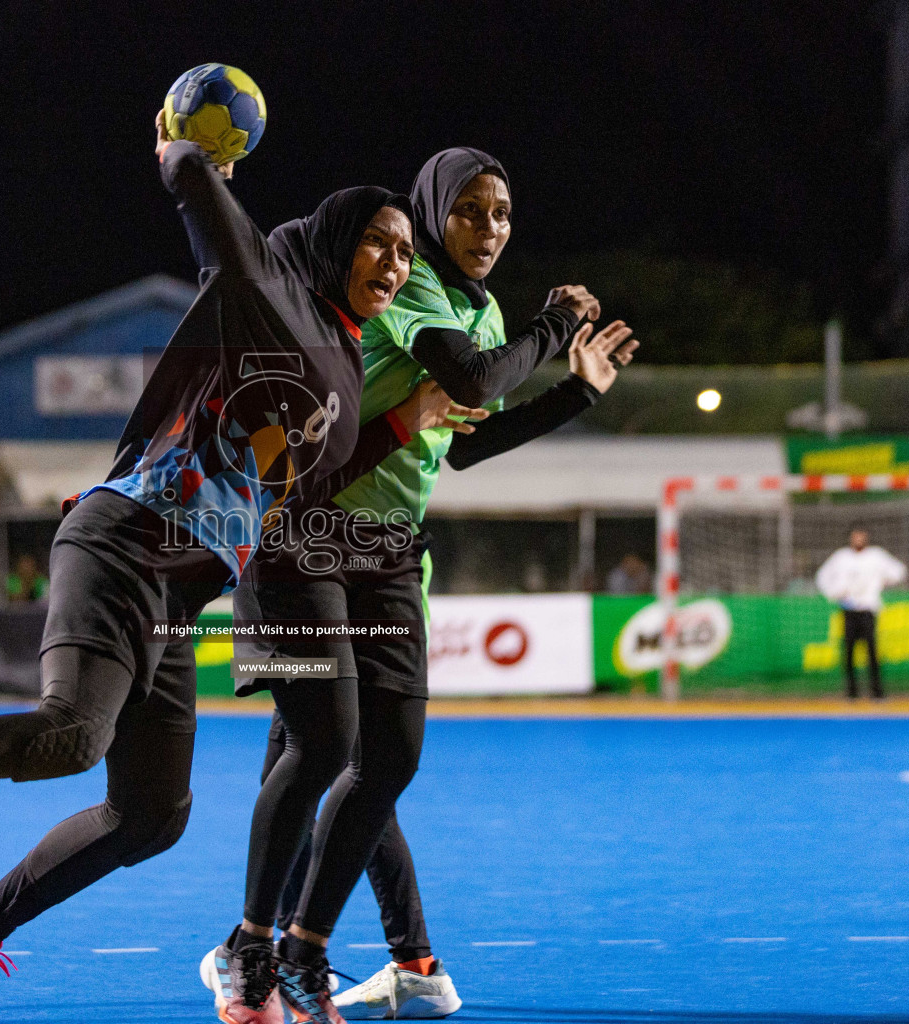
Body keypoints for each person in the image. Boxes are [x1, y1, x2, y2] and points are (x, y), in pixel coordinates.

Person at [0, 119, 479, 1024]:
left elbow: (320, 470)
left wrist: (416, 419)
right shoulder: (264, 288)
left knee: (152, 814)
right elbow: (188, 182)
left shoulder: (344, 369)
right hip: (125, 536)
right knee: (71, 735)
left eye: (407, 250)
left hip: (179, 590)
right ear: (335, 237)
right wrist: (191, 146)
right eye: (378, 238)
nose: (397, 261)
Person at [204, 147, 637, 1023]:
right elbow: (474, 381)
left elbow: (464, 436)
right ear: (433, 211)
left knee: (373, 759)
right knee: (325, 751)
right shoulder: (412, 288)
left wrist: (573, 395)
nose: (488, 229)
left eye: (503, 215)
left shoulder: (476, 311)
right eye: (470, 211)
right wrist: (552, 331)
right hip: (308, 540)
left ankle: (305, 949)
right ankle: (275, 951)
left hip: (389, 552)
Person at [816, 528, 905, 699]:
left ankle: (877, 692)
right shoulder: (841, 557)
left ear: (866, 537)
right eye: (855, 536)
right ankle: (851, 693)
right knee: (849, 651)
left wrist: (884, 581)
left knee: (871, 651)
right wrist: (834, 593)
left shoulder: (876, 556)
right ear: (851, 538)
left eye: (861, 536)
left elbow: (898, 571)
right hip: (849, 610)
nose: (858, 539)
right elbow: (822, 577)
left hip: (868, 610)